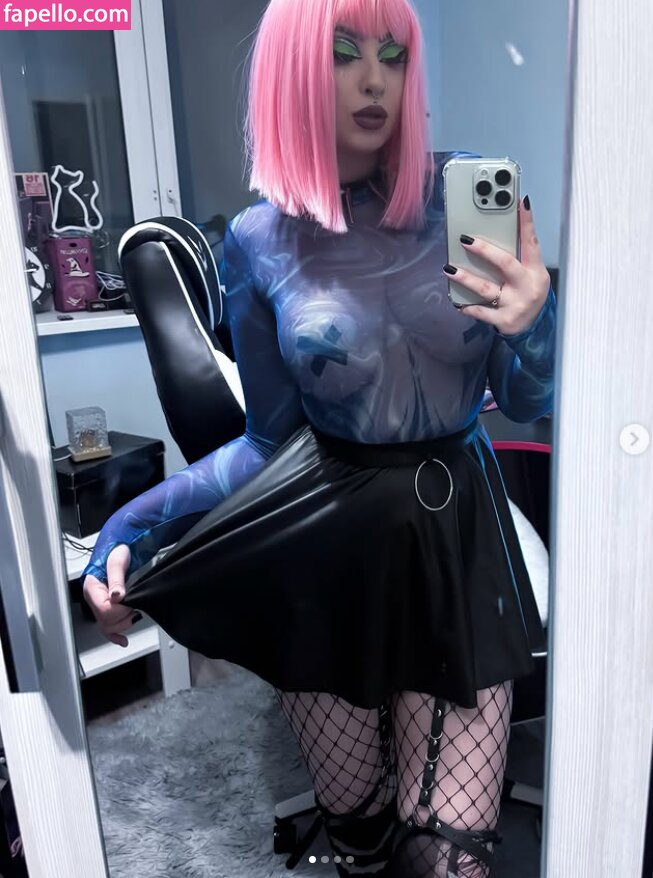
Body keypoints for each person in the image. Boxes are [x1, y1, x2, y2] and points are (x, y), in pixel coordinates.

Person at [82, 0, 556, 874]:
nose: (374, 79)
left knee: (447, 859)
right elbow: (265, 444)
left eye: (392, 55)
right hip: (327, 543)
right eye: (343, 53)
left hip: (454, 536)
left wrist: (533, 325)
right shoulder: (257, 240)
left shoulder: (464, 201)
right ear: (291, 73)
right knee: (359, 837)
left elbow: (532, 398)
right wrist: (126, 526)